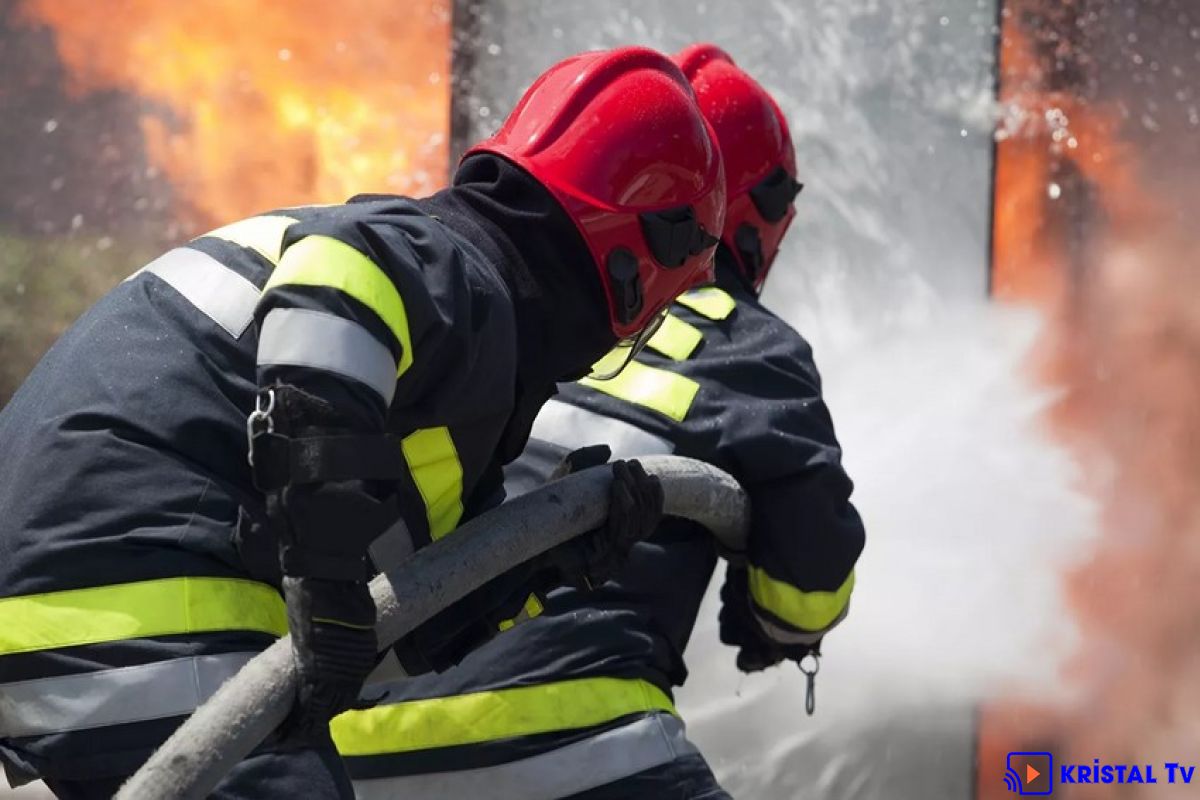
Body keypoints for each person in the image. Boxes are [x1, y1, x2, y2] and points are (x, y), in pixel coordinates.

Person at [0, 46, 725, 798]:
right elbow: (338, 282)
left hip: (64, 609)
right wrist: (324, 573)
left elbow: (370, 648)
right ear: (639, 263)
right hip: (135, 600)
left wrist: (543, 566)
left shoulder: (440, 375)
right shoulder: (452, 270)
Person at [339, 44, 866, 800]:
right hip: (565, 739)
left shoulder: (498, 307)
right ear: (746, 216)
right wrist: (769, 612)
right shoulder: (746, 345)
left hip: (350, 743)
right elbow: (807, 592)